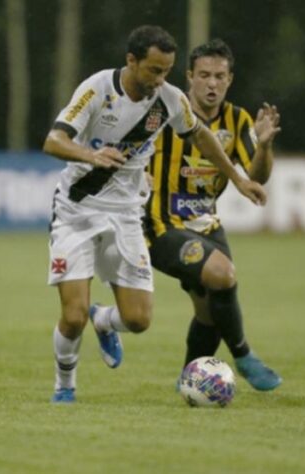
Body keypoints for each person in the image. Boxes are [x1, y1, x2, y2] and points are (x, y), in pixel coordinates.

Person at [43, 26, 267, 403]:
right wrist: (91, 155)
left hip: (127, 215)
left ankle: (105, 320)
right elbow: (53, 140)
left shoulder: (169, 99)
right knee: (73, 315)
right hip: (78, 210)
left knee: (138, 320)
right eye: (153, 70)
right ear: (131, 61)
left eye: (166, 71)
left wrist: (239, 179)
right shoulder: (97, 89)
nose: (159, 79)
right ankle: (65, 386)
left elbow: (200, 136)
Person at [143, 39, 282, 390]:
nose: (212, 83)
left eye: (220, 76)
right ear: (189, 76)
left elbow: (257, 176)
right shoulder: (162, 111)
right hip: (159, 225)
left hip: (206, 224)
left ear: (230, 79)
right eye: (204, 75)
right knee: (222, 274)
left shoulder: (238, 120)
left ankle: (190, 377)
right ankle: (244, 355)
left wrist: (264, 146)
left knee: (209, 310)